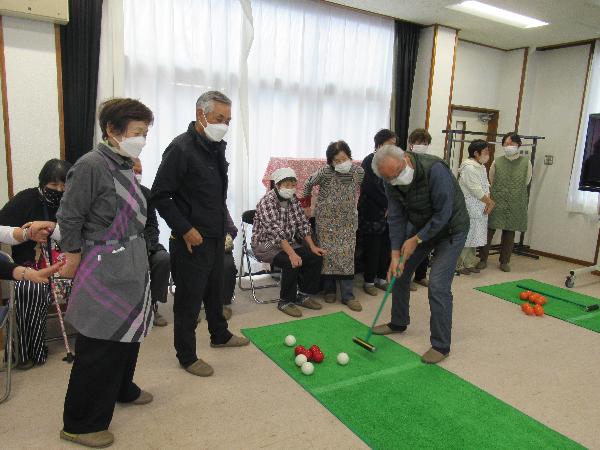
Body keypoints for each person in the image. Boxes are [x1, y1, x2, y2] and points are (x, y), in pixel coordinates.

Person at [57, 98, 155, 449]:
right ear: (112, 130)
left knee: (129, 336)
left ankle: (121, 388)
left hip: (131, 260)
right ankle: (80, 424)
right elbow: (69, 215)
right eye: (137, 132)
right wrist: (71, 254)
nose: (142, 140)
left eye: (145, 133)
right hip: (104, 263)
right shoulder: (91, 165)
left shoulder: (123, 163)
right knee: (100, 343)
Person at [151, 90, 249, 379]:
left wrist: (223, 229)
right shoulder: (180, 149)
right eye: (219, 118)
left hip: (215, 234)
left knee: (215, 290)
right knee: (189, 301)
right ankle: (187, 355)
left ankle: (219, 334)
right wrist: (185, 229)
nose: (224, 125)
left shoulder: (215, 147)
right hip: (191, 239)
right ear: (200, 115)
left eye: (228, 120)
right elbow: (160, 196)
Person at [370, 145, 469, 364]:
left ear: (405, 158)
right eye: (390, 178)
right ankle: (398, 322)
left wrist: (417, 239)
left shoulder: (435, 170)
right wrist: (395, 255)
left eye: (398, 172)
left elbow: (444, 213)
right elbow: (396, 217)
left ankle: (441, 345)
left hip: (451, 229)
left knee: (438, 285)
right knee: (400, 272)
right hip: (421, 225)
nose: (396, 178)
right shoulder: (389, 181)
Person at [0, 159, 71, 369]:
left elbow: (80, 233)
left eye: (64, 185)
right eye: (54, 185)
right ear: (42, 182)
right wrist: (26, 234)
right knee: (30, 288)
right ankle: (27, 352)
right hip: (30, 266)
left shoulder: (73, 202)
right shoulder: (26, 200)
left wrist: (52, 229)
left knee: (95, 280)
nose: (59, 190)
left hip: (66, 264)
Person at [252, 167, 325, 317]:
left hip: (287, 242)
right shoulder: (267, 201)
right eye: (287, 185)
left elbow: (303, 223)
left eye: (293, 185)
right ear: (278, 185)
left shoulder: (293, 199)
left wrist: (312, 246)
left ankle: (302, 295)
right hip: (266, 244)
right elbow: (276, 232)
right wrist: (292, 254)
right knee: (290, 261)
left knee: (315, 257)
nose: (290, 188)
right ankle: (285, 301)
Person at [303, 141, 364, 311]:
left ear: (349, 157)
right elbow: (308, 183)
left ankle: (348, 296)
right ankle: (329, 290)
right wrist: (307, 204)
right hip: (326, 222)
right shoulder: (325, 172)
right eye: (337, 160)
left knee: (347, 257)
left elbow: (361, 191)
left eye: (344, 159)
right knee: (328, 256)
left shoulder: (358, 172)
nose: (341, 163)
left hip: (347, 222)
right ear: (330, 161)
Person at [478, 132, 532, 272]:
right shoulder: (497, 161)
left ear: (518, 144)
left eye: (511, 143)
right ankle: (482, 259)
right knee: (489, 229)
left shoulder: (526, 162)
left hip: (515, 201)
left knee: (509, 232)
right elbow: (491, 179)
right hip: (497, 200)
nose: (508, 146)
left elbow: (526, 181)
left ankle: (504, 261)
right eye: (506, 144)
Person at [132, 158, 170, 327]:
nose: (137, 175)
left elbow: (152, 226)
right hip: (122, 246)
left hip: (146, 243)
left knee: (163, 259)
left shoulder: (147, 194)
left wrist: (146, 246)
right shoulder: (112, 194)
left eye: (140, 171)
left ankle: (152, 305)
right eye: (134, 171)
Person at [358, 129, 396, 296]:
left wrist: (393, 204)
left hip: (389, 212)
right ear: (380, 144)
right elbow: (369, 187)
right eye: (390, 144)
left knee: (386, 246)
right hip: (371, 210)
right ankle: (369, 281)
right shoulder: (369, 161)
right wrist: (387, 204)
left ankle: (382, 278)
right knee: (372, 248)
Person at [456, 140, 495, 274]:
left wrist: (487, 201)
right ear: (476, 153)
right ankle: (459, 264)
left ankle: (469, 262)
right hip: (469, 206)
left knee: (475, 236)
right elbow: (475, 189)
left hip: (480, 206)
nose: (487, 154)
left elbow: (486, 185)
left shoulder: (481, 167)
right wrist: (489, 202)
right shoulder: (468, 167)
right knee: (466, 236)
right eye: (485, 152)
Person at [407, 128, 434, 289]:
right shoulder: (405, 160)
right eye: (419, 142)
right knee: (409, 245)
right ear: (411, 144)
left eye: (425, 143)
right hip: (410, 210)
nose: (422, 145)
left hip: (426, 209)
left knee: (424, 244)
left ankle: (421, 275)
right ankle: (406, 278)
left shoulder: (431, 162)